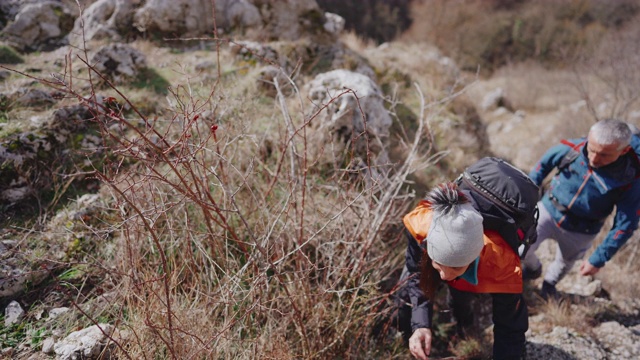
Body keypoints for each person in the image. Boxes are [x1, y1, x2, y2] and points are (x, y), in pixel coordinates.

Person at [398, 182, 528, 360]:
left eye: (456, 267)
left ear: (476, 255)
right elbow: (416, 276)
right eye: (439, 263)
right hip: (455, 261)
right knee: (408, 291)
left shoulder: (501, 263)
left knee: (461, 297)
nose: (444, 276)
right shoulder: (420, 227)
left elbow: (510, 329)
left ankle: (464, 327)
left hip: (484, 267)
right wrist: (420, 324)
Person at [522, 118, 640, 298]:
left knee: (565, 262)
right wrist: (526, 201)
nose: (593, 159)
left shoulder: (630, 179)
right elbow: (541, 167)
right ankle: (532, 269)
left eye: (604, 155)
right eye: (591, 150)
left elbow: (626, 224)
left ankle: (549, 285)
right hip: (547, 209)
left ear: (624, 150)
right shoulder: (573, 148)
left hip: (582, 230)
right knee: (521, 247)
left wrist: (598, 259)